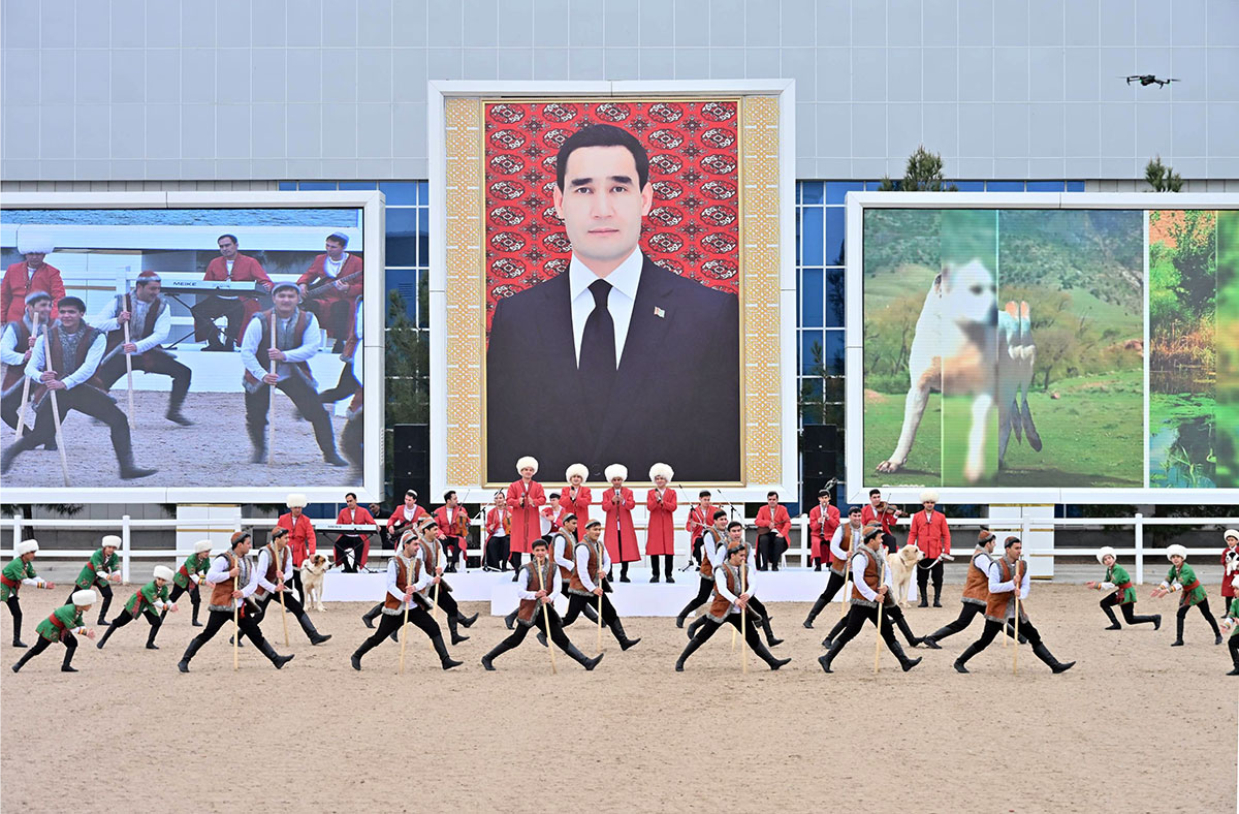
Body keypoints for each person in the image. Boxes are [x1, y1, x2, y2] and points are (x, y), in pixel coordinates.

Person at [485, 124, 740, 484]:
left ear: (645, 199)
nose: (602, 209)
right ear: (559, 201)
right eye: (584, 189)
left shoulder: (709, 315)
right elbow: (500, 443)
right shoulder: (517, 318)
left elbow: (722, 449)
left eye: (618, 188)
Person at [2, 297, 157, 480]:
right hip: (55, 393)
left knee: (119, 420)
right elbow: (30, 368)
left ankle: (127, 469)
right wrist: (41, 376)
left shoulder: (96, 336)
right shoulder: (46, 337)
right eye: (63, 312)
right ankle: (9, 453)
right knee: (43, 434)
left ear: (81, 314)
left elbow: (89, 368)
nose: (66, 316)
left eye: (71, 312)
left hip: (83, 389)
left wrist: (64, 383)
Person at [240, 281, 347, 466]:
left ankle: (330, 454)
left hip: (294, 373)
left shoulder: (308, 319)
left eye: (291, 296)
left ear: (298, 299)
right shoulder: (260, 320)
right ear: (274, 298)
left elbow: (311, 348)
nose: (286, 300)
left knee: (318, 413)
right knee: (255, 416)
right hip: (261, 374)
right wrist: (262, 375)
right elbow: (247, 351)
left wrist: (284, 356)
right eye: (281, 296)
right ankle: (259, 450)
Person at [953, 536, 1075, 674]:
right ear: (1008, 549)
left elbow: (1026, 586)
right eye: (1016, 548)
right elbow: (992, 587)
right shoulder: (996, 565)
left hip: (1015, 609)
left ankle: (1055, 665)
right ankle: (960, 661)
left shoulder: (1022, 565)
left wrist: (1020, 593)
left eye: (1020, 548)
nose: (1019, 551)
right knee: (985, 640)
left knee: (1034, 636)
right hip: (997, 609)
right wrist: (1012, 584)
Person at [176, 531, 294, 673]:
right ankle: (185, 660)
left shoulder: (248, 562)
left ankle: (276, 659)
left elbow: (254, 583)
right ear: (239, 545)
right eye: (248, 543)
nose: (250, 546)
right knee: (208, 633)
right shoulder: (224, 559)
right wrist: (229, 574)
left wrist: (243, 593)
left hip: (239, 606)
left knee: (255, 632)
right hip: (222, 605)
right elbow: (211, 576)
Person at [481, 538, 603, 671]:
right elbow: (520, 592)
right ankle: (487, 658)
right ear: (533, 552)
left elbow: (557, 587)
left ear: (546, 551)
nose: (540, 553)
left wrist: (549, 598)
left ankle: (586, 662)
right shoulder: (526, 569)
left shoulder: (553, 568)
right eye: (537, 550)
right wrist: (535, 594)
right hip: (529, 610)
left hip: (546, 609)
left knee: (560, 638)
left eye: (542, 550)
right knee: (516, 640)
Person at [349, 529, 462, 671]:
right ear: (406, 545)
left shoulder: (418, 562)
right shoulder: (394, 562)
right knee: (379, 637)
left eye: (418, 545)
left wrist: (419, 585)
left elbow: (423, 579)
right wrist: (403, 596)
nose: (418, 547)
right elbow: (390, 585)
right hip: (396, 607)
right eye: (415, 544)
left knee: (433, 627)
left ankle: (445, 660)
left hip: (413, 606)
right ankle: (356, 655)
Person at [817, 525, 923, 674]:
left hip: (875, 600)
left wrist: (886, 585)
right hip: (863, 600)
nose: (881, 541)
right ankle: (827, 658)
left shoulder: (878, 554)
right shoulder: (860, 557)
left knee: (887, 630)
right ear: (871, 540)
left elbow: (887, 571)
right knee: (851, 630)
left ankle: (904, 661)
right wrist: (874, 596)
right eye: (879, 538)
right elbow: (859, 581)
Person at [91, 271, 193, 426]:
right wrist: (117, 321)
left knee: (183, 372)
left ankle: (174, 412)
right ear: (139, 287)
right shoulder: (119, 302)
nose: (156, 292)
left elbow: (161, 334)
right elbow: (95, 325)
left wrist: (137, 346)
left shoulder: (162, 306)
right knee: (100, 382)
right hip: (119, 353)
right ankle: (99, 412)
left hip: (147, 353)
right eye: (152, 288)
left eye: (158, 288)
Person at [675, 543, 791, 672]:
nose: (743, 558)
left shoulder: (745, 569)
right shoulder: (721, 570)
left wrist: (748, 594)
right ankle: (681, 660)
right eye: (741, 556)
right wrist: (735, 600)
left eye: (744, 555)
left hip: (738, 611)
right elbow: (722, 589)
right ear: (732, 555)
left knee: (753, 637)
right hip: (722, 609)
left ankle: (772, 662)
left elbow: (753, 583)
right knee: (703, 635)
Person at [686, 521, 783, 647]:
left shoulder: (746, 547)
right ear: (729, 532)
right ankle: (694, 625)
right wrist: (724, 580)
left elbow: (751, 565)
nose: (737, 533)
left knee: (760, 609)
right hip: (728, 586)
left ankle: (770, 637)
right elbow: (717, 565)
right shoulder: (723, 546)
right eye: (734, 531)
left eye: (739, 531)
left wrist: (748, 580)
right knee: (720, 612)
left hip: (742, 587)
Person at [564, 519, 640, 650]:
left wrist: (604, 571)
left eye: (599, 529)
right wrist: (592, 589)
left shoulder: (599, 545)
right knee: (570, 618)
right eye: (595, 529)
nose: (598, 532)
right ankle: (546, 631)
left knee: (610, 613)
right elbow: (582, 572)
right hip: (581, 589)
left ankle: (623, 641)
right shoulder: (582, 548)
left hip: (595, 587)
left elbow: (607, 561)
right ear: (587, 531)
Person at [191, 233, 273, 351]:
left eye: (227, 245)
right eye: (221, 246)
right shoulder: (215, 262)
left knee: (237, 315)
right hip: (219, 300)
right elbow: (207, 283)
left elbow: (265, 281)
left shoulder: (250, 262)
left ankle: (229, 344)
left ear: (236, 245)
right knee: (198, 310)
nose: (224, 249)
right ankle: (214, 342)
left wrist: (266, 286)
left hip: (240, 300)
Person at [251, 527, 331, 645]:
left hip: (279, 585)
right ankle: (237, 636)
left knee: (297, 608)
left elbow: (290, 571)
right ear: (277, 539)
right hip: (264, 588)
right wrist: (273, 588)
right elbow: (259, 577)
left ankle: (314, 636)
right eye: (285, 538)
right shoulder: (265, 553)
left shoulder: (287, 550)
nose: (288, 540)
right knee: (259, 616)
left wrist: (283, 577)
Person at [921, 530, 998, 649]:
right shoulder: (982, 557)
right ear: (988, 544)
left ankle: (1021, 636)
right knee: (962, 623)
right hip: (975, 597)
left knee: (996, 617)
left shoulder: (981, 555)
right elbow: (990, 573)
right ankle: (932, 638)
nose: (995, 545)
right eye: (993, 542)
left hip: (980, 596)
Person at [409, 520, 478, 645]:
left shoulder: (437, 543)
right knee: (407, 608)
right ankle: (387, 625)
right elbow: (419, 568)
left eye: (437, 529)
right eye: (434, 529)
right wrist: (431, 579)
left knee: (451, 605)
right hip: (420, 582)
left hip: (434, 580)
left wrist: (441, 568)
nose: (437, 532)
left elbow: (443, 559)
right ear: (426, 531)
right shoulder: (419, 546)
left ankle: (455, 635)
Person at [1, 290, 55, 444]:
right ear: (30, 307)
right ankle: (30, 435)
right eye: (42, 305)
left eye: (49, 305)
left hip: (48, 374)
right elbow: (2, 351)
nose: (47, 309)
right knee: (4, 408)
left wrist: (41, 344)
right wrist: (23, 357)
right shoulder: (16, 327)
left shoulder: (56, 325)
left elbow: (66, 349)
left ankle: (47, 438)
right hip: (21, 375)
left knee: (46, 407)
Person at [298, 232, 363, 352]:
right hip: (324, 298)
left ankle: (339, 342)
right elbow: (309, 274)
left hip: (345, 298)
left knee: (341, 308)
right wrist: (303, 284)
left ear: (343, 247)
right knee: (309, 306)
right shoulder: (320, 259)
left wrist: (348, 288)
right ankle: (308, 341)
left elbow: (363, 285)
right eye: (327, 245)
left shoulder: (357, 262)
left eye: (333, 247)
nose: (329, 249)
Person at [803, 507, 864, 630]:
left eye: (859, 516)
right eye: (854, 516)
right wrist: (844, 555)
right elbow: (834, 546)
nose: (857, 518)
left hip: (857, 569)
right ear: (850, 516)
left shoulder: (865, 530)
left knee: (867, 593)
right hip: (841, 568)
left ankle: (882, 617)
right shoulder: (842, 529)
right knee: (828, 594)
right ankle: (810, 618)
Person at [1151, 544, 1222, 647]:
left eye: (1178, 557)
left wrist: (1166, 591)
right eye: (1173, 557)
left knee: (1206, 614)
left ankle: (1218, 634)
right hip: (1187, 592)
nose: (1175, 559)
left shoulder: (1186, 569)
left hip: (1197, 592)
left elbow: (1179, 584)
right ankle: (1179, 639)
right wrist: (1159, 588)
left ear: (1182, 558)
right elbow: (1168, 580)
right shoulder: (1174, 569)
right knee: (1180, 614)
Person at [11, 589, 96, 673]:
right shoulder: (69, 611)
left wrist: (85, 630)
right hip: (50, 628)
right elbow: (72, 628)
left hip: (61, 629)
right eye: (89, 604)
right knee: (38, 649)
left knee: (72, 643)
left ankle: (66, 666)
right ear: (82, 604)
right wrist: (86, 632)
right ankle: (19, 664)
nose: (90, 606)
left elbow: (79, 622)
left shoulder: (78, 611)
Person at [96, 566, 176, 651]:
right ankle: (103, 640)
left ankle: (150, 643)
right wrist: (164, 606)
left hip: (147, 604)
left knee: (157, 622)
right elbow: (154, 601)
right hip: (137, 602)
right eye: (159, 579)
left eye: (163, 580)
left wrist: (170, 605)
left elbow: (165, 598)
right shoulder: (149, 587)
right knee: (119, 621)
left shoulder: (164, 589)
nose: (160, 581)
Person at [675, 509, 728, 629]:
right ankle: (682, 616)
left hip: (725, 571)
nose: (724, 522)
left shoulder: (727, 534)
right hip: (710, 571)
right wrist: (718, 570)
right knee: (702, 598)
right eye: (721, 519)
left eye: (725, 519)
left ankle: (758, 619)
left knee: (737, 594)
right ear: (715, 521)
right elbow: (711, 555)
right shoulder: (710, 534)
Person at [1087, 546, 1160, 631]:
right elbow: (1106, 583)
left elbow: (1111, 584)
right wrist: (1096, 586)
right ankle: (1116, 624)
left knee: (1130, 619)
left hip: (1127, 592)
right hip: (1122, 591)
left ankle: (1155, 618)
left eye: (1109, 558)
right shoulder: (1110, 569)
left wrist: (1097, 585)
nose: (1108, 560)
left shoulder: (1117, 569)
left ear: (1113, 558)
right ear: (1103, 562)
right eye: (1105, 559)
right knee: (1104, 603)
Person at [1, 234, 65, 324]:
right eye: (31, 254)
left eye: (38, 254)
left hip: (41, 318)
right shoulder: (12, 269)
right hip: (14, 318)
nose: (34, 257)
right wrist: (1, 317)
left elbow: (59, 297)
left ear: (44, 255)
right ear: (26, 254)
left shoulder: (52, 272)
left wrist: (53, 318)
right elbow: (4, 296)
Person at [2, 539, 54, 648]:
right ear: (25, 553)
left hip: (10, 589)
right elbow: (25, 580)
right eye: (32, 552)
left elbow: (34, 576)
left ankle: (16, 640)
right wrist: (43, 585)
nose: (34, 555)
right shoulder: (17, 564)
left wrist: (44, 583)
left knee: (17, 614)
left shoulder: (26, 564)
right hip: (3, 588)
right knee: (17, 613)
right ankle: (16, 640)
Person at [66, 535, 122, 625]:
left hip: (101, 575)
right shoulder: (97, 554)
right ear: (105, 547)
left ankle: (101, 619)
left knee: (108, 594)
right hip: (89, 574)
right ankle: (64, 614)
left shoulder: (114, 556)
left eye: (113, 548)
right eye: (109, 547)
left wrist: (117, 575)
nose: (111, 550)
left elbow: (115, 568)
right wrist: (111, 577)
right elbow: (98, 571)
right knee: (76, 595)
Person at [908, 489, 950, 607]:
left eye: (932, 502)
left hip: (936, 553)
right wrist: (910, 549)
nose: (930, 504)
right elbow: (913, 533)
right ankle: (924, 599)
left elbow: (946, 534)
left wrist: (946, 550)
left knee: (938, 577)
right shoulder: (917, 516)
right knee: (921, 578)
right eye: (927, 502)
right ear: (923, 503)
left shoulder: (941, 517)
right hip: (922, 553)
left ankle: (937, 599)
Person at [507, 455, 546, 577]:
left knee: (533, 544)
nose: (528, 472)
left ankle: (534, 571)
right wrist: (517, 502)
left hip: (532, 519)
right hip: (519, 519)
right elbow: (509, 500)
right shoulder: (514, 486)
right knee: (517, 545)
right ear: (521, 471)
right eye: (525, 469)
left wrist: (534, 501)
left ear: (534, 471)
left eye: (530, 470)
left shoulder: (538, 486)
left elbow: (543, 499)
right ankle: (517, 572)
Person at [274, 494, 317, 605]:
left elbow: (311, 536)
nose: (298, 510)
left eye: (299, 507)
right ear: (291, 507)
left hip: (300, 552)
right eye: (295, 507)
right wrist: (276, 550)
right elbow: (276, 535)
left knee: (300, 580)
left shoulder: (306, 520)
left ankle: (303, 602)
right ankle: (289, 603)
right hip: (286, 551)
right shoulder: (283, 519)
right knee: (287, 580)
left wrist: (312, 553)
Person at [601, 464, 639, 582]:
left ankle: (624, 574)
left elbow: (631, 505)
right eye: (614, 480)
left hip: (625, 525)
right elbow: (604, 507)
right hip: (612, 525)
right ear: (611, 480)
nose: (617, 482)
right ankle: (610, 573)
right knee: (611, 549)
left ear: (622, 480)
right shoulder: (607, 493)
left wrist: (623, 502)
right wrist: (612, 502)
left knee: (625, 548)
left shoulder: (628, 492)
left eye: (619, 479)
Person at [166, 539, 212, 628]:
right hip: (182, 580)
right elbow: (192, 575)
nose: (208, 553)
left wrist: (212, 578)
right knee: (172, 598)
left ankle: (194, 620)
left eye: (208, 551)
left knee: (196, 599)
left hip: (192, 582)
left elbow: (208, 571)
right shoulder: (191, 559)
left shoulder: (206, 559)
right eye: (206, 551)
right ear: (200, 551)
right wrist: (204, 582)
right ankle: (161, 616)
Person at [645, 462, 678, 583]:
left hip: (667, 524)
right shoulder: (651, 493)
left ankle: (669, 574)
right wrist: (656, 500)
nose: (659, 481)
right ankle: (655, 574)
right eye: (657, 478)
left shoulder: (672, 492)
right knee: (654, 549)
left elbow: (673, 507)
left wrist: (663, 502)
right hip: (655, 524)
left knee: (668, 550)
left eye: (661, 478)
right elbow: (650, 507)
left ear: (666, 479)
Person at [334, 492, 375, 573]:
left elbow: (371, 523)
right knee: (337, 545)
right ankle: (346, 565)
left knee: (360, 545)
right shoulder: (343, 511)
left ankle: (355, 566)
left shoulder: (363, 511)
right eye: (347, 501)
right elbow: (338, 525)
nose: (349, 503)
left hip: (358, 536)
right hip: (346, 536)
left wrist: (376, 527)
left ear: (355, 500)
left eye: (351, 501)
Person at [433, 491, 470, 573]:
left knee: (460, 541)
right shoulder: (438, 511)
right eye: (455, 499)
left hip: (455, 535)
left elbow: (468, 524)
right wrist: (440, 533)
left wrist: (465, 517)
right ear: (448, 501)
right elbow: (435, 526)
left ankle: (453, 564)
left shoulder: (461, 510)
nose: (457, 500)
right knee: (442, 541)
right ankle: (445, 564)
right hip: (444, 534)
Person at [754, 491, 791, 571]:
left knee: (779, 541)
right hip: (766, 532)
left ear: (777, 500)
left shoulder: (783, 509)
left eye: (774, 499)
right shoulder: (762, 509)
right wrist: (767, 523)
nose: (772, 501)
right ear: (767, 500)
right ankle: (765, 565)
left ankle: (775, 565)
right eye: (770, 499)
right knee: (763, 540)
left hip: (778, 532)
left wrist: (782, 533)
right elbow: (757, 521)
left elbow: (787, 523)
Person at [808, 488, 840, 571]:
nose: (824, 500)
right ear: (819, 499)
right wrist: (818, 522)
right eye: (822, 498)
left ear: (829, 498)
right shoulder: (813, 511)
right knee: (815, 542)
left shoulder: (835, 510)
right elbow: (812, 527)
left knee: (833, 542)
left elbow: (836, 525)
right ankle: (818, 564)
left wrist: (829, 518)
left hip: (830, 534)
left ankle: (831, 564)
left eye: (826, 498)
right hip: (817, 534)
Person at [483, 490, 511, 572]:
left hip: (507, 534)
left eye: (500, 498)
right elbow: (488, 529)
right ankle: (496, 566)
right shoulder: (491, 513)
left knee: (507, 543)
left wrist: (511, 517)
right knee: (491, 543)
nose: (499, 500)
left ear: (504, 499)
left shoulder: (510, 510)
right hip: (495, 534)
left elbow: (515, 524)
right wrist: (491, 528)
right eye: (497, 498)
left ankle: (504, 565)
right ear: (494, 500)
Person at [685, 490, 715, 566]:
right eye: (705, 500)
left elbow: (720, 521)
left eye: (708, 500)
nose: (707, 502)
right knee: (697, 541)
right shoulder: (693, 511)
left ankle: (710, 562)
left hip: (711, 534)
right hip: (699, 534)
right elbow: (688, 527)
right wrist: (693, 526)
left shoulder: (715, 510)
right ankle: (699, 563)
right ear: (700, 499)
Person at [563, 463, 592, 531]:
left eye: (578, 477)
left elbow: (587, 502)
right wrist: (570, 497)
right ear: (570, 478)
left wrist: (576, 498)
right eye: (574, 476)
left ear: (581, 479)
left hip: (581, 519)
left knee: (581, 535)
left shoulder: (586, 490)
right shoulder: (565, 490)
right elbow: (562, 503)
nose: (576, 478)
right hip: (569, 519)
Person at [1223, 576, 1239, 676]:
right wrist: (1226, 625)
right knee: (1232, 643)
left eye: (1237, 589)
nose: (1234, 591)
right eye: (1234, 588)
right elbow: (1231, 615)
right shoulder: (1235, 603)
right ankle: (1237, 667)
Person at [1222, 530, 1239, 615]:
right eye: (1228, 540)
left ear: (1237, 541)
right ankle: (1228, 611)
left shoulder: (1238, 550)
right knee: (1228, 594)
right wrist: (1227, 564)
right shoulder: (1226, 551)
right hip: (1229, 574)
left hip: (1237, 573)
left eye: (1232, 540)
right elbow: (1223, 560)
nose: (1230, 542)